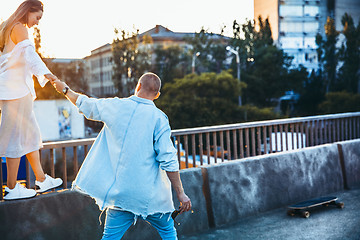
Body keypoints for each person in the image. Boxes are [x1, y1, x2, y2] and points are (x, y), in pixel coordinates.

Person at [52, 73, 192, 240]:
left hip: (121, 194)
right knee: (168, 232)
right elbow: (168, 160)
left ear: (138, 86)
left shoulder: (116, 105)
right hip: (151, 197)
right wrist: (181, 193)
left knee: (109, 237)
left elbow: (85, 104)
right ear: (157, 95)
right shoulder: (159, 118)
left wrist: (65, 90)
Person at [0, 0, 63, 200]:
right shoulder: (19, 28)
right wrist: (50, 76)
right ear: (28, 11)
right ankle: (11, 187)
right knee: (15, 137)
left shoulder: (6, 27)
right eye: (37, 17)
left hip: (15, 91)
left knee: (30, 136)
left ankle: (42, 179)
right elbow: (31, 55)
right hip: (16, 92)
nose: (37, 22)